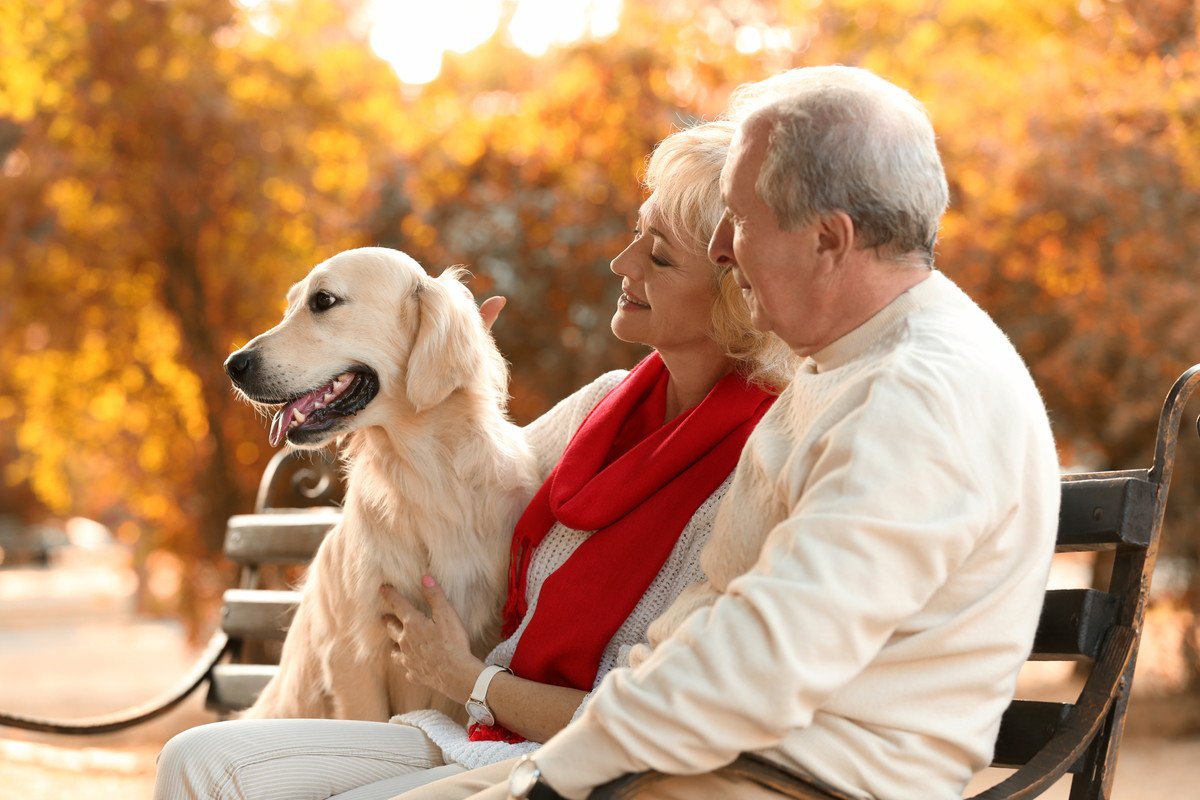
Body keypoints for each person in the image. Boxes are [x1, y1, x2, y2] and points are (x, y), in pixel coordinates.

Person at [394, 66, 1061, 800]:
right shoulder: (841, 369)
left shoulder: (917, 396)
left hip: (792, 785)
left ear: (828, 240)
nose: (719, 248)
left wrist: (549, 778)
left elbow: (765, 660)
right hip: (703, 767)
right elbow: (704, 617)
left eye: (740, 219)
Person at [153, 119, 796, 800]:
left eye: (658, 256)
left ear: (735, 289)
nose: (622, 262)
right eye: (638, 233)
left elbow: (656, 716)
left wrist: (470, 679)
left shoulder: (754, 468)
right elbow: (476, 470)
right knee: (192, 760)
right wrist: (436, 345)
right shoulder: (606, 405)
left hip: (575, 757)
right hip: (475, 731)